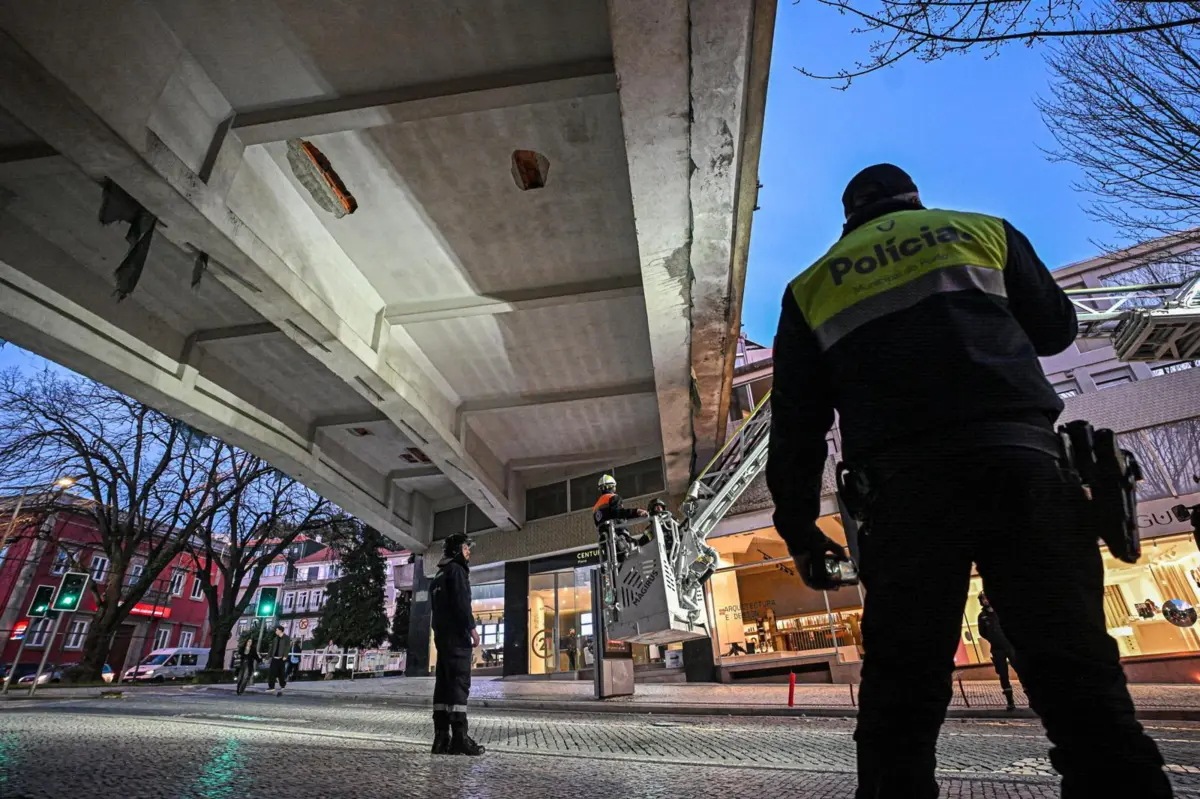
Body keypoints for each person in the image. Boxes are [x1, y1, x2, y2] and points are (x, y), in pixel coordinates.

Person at [765, 163, 1171, 798]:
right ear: (913, 199)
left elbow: (797, 428)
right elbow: (1056, 331)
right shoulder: (983, 232)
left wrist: (799, 529)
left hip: (907, 498)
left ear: (849, 217)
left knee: (900, 703)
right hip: (1026, 469)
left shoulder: (812, 286)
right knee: (1082, 687)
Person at [430, 532, 484, 756]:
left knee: (443, 688)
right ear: (456, 551)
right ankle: (460, 738)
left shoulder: (438, 576)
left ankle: (441, 739)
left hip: (443, 640)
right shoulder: (457, 571)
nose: (468, 551)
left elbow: (436, 613)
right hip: (457, 640)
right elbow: (462, 603)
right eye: (465, 547)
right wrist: (472, 630)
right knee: (459, 686)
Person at [976, 592, 1017, 712]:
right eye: (983, 599)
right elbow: (982, 633)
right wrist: (992, 638)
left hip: (1009, 646)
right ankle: (1010, 702)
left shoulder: (999, 612)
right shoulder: (982, 616)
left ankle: (1030, 698)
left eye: (986, 598)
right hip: (997, 649)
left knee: (1020, 670)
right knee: (1003, 675)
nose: (985, 601)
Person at [594, 475, 650, 559]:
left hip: (607, 543)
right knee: (640, 545)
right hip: (619, 537)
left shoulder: (596, 507)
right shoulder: (613, 497)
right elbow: (618, 513)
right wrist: (636, 511)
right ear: (612, 486)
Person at [265, 624, 291, 697]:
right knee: (271, 673)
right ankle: (271, 687)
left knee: (281, 674)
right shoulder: (275, 639)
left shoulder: (286, 638)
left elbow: (287, 647)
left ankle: (283, 685)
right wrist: (267, 657)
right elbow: (271, 648)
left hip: (281, 658)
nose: (275, 631)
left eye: (276, 630)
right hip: (274, 658)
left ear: (280, 630)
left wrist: (285, 655)